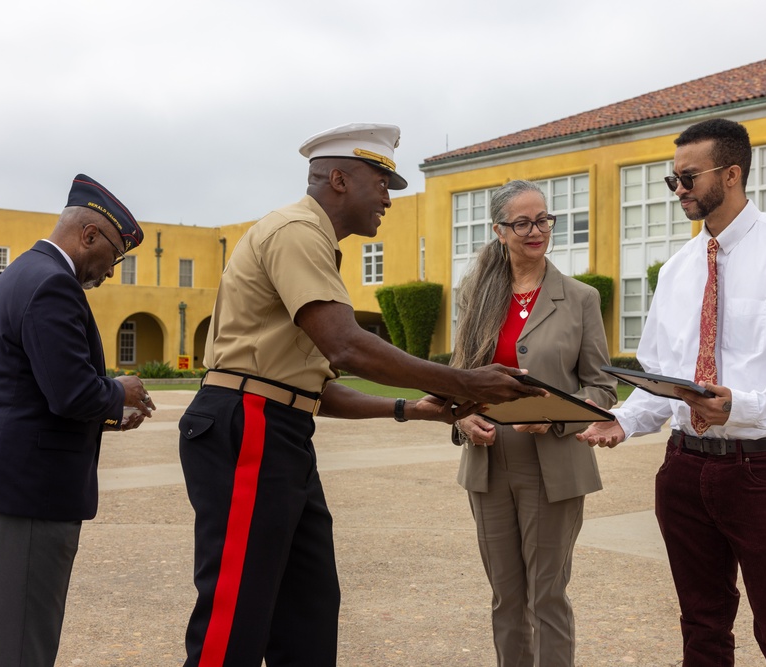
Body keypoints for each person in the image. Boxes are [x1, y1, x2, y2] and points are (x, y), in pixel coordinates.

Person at [177, 122, 544, 667]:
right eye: (382, 183)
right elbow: (346, 346)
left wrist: (410, 410)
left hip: (277, 425)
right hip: (249, 422)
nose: (389, 200)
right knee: (237, 609)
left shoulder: (316, 242)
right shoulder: (297, 232)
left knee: (307, 608)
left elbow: (313, 388)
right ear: (340, 179)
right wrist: (463, 381)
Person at [578, 118, 766, 666]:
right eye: (672, 180)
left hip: (764, 472)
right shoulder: (677, 270)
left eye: (688, 178)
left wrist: (740, 407)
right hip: (683, 470)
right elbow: (660, 372)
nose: (678, 190)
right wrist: (625, 420)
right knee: (701, 626)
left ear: (731, 173)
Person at [0, 174, 156, 667]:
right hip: (26, 488)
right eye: (115, 256)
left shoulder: (20, 273)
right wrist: (120, 390)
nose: (112, 271)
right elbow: (71, 391)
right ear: (89, 235)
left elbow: (29, 389)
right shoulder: (53, 283)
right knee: (21, 647)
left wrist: (110, 414)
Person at [450, 179, 617, 667]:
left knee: (547, 596)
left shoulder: (581, 298)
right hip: (487, 463)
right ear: (499, 231)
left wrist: (556, 417)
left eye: (542, 219)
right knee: (506, 598)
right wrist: (465, 418)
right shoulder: (475, 295)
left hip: (554, 464)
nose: (535, 230)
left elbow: (602, 389)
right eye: (522, 222)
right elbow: (460, 381)